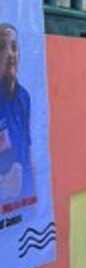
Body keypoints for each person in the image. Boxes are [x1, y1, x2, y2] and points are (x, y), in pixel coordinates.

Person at [0, 23, 33, 205]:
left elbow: (27, 146)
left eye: (14, 47)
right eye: (2, 47)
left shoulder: (24, 97)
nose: (10, 54)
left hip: (25, 199)